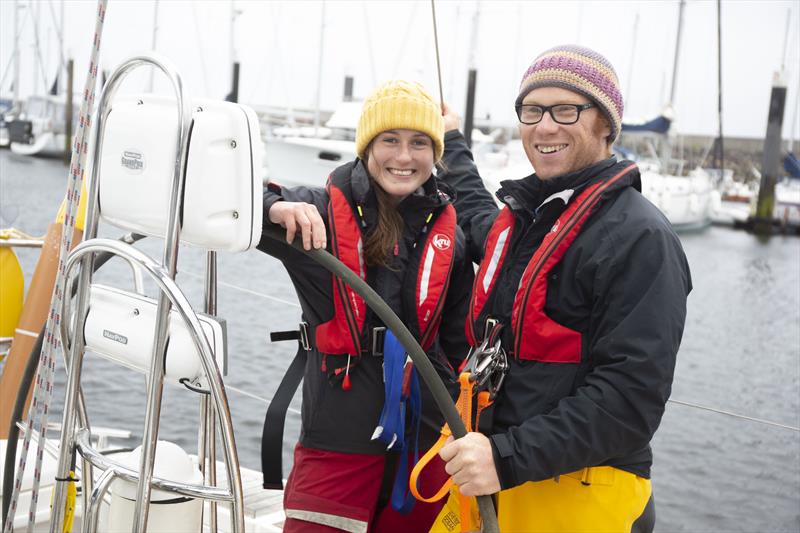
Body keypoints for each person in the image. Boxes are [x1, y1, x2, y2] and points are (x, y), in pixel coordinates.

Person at [436, 44, 692, 532]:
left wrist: (505, 458)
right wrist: (451, 142)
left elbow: (629, 401)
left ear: (606, 125)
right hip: (498, 478)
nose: (545, 126)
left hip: (578, 490)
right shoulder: (531, 219)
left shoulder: (642, 239)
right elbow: (475, 215)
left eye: (566, 109)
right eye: (532, 111)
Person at [257, 80, 475, 533]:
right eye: (389, 140)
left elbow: (458, 342)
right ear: (367, 146)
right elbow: (229, 205)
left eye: (419, 143)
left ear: (435, 153)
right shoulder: (314, 210)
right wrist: (273, 209)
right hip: (337, 431)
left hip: (425, 438)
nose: (404, 156)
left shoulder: (451, 232)